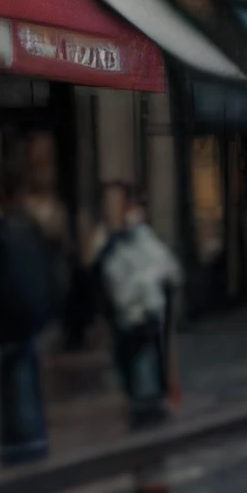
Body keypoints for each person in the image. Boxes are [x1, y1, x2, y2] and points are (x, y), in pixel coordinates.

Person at [0, 160, 63, 462]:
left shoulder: (1, 231)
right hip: (30, 318)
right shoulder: (29, 228)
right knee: (26, 374)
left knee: (17, 379)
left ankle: (23, 445)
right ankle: (31, 441)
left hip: (13, 320)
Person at [94, 181, 180, 428]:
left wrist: (141, 295)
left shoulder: (138, 238)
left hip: (139, 317)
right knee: (131, 372)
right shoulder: (109, 241)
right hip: (124, 317)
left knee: (142, 375)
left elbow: (165, 270)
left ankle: (147, 412)